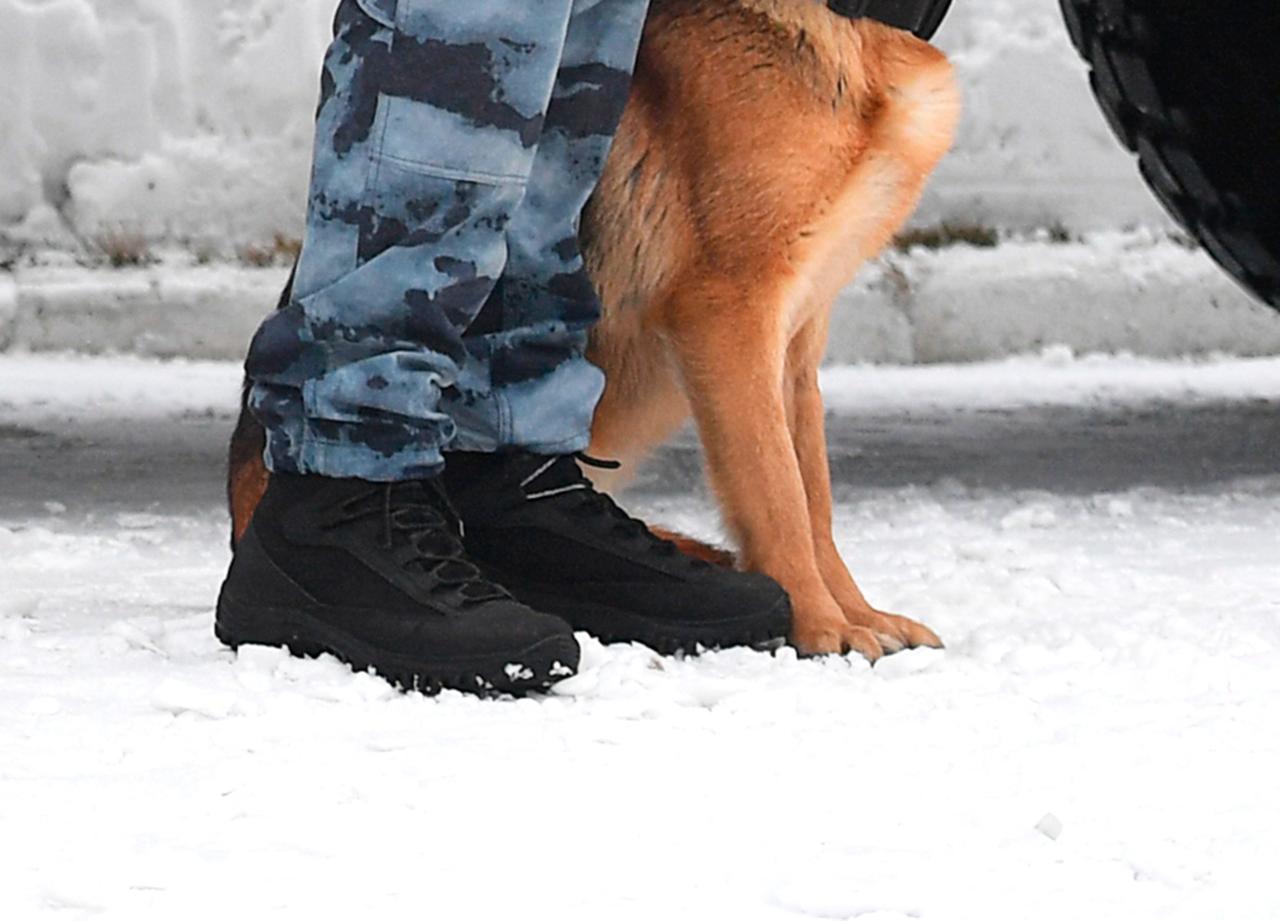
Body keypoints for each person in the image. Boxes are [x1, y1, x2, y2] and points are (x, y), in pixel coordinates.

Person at [215, 0, 792, 695]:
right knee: (465, 25)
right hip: (331, 488)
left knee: (571, 47)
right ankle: (336, 496)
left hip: (498, 452)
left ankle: (498, 480)